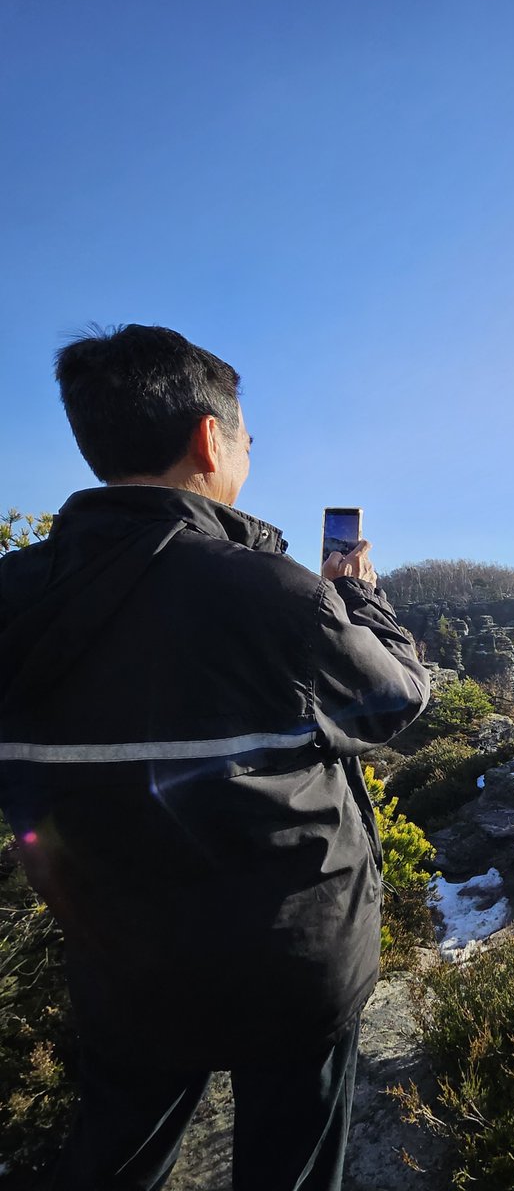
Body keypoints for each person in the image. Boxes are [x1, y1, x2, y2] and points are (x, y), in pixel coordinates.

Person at [0, 325, 430, 1190]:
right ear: (209, 437)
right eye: (245, 436)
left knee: (114, 1162)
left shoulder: (15, 597)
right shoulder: (272, 593)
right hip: (293, 969)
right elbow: (397, 700)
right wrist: (360, 597)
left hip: (119, 966)